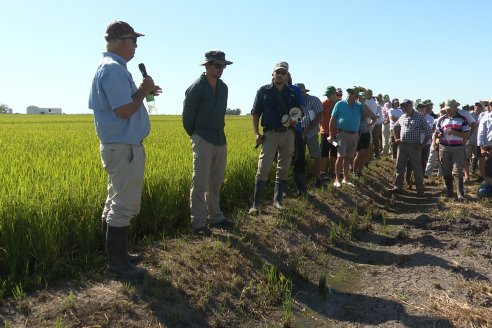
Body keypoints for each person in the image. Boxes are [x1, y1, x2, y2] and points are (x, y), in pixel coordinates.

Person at [88, 21, 161, 281]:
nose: (136, 46)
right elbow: (124, 110)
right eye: (134, 40)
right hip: (123, 147)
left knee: (114, 200)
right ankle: (117, 266)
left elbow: (128, 103)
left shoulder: (114, 68)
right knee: (124, 204)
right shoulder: (112, 70)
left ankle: (114, 256)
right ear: (122, 41)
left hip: (119, 146)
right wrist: (142, 91)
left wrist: (145, 92)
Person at [182, 50, 233, 237]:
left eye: (223, 66)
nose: (221, 69)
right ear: (208, 65)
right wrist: (196, 135)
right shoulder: (196, 87)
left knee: (216, 181)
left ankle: (216, 217)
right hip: (202, 138)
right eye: (218, 65)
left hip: (220, 138)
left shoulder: (224, 88)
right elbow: (187, 117)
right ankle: (199, 223)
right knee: (200, 181)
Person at [249, 62, 300, 214]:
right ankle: (255, 204)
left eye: (283, 73)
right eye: (277, 72)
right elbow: (255, 113)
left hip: (288, 134)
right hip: (269, 134)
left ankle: (278, 201)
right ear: (273, 73)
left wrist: (294, 120)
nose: (280, 75)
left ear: (287, 76)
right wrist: (256, 134)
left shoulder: (291, 93)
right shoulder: (263, 91)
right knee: (263, 167)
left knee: (283, 168)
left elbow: (297, 113)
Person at [328, 86, 376, 187]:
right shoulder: (340, 104)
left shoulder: (359, 106)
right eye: (349, 92)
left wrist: (363, 102)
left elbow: (369, 114)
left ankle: (346, 179)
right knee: (340, 157)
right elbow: (332, 120)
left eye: (352, 93)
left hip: (354, 134)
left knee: (348, 157)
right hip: (342, 134)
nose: (349, 94)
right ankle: (337, 179)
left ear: (357, 96)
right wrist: (331, 135)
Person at [389, 99, 431, 197]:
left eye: (406, 105)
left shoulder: (419, 117)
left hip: (414, 146)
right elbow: (395, 127)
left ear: (411, 105)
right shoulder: (402, 116)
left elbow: (428, 132)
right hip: (403, 145)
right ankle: (398, 187)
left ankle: (420, 190)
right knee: (399, 166)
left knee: (417, 168)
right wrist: (397, 138)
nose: (405, 107)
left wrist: (422, 145)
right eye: (403, 106)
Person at [434, 99, 471, 200]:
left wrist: (455, 133)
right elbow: (437, 133)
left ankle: (460, 194)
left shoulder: (462, 119)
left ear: (455, 108)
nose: (448, 110)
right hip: (444, 147)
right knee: (445, 169)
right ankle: (449, 191)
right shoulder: (441, 119)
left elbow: (467, 134)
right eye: (447, 108)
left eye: (450, 108)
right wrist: (439, 136)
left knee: (457, 170)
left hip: (458, 148)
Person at [295, 83, 323, 190]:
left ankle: (318, 178)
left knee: (316, 156)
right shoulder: (295, 101)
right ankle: (301, 181)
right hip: (298, 134)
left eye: (301, 92)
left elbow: (319, 116)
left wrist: (309, 128)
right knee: (298, 158)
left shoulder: (314, 100)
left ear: (305, 92)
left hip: (311, 133)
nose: (299, 94)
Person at [319, 86, 339, 178]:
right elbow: (318, 115)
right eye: (326, 95)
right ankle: (322, 172)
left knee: (335, 152)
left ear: (333, 94)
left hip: (337, 133)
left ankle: (335, 171)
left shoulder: (340, 103)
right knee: (324, 152)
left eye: (328, 95)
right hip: (325, 132)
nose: (327, 97)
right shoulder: (324, 103)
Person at [477, 99, 492, 197]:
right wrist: (482, 147)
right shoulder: (485, 117)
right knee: (489, 171)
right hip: (490, 148)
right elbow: (481, 134)